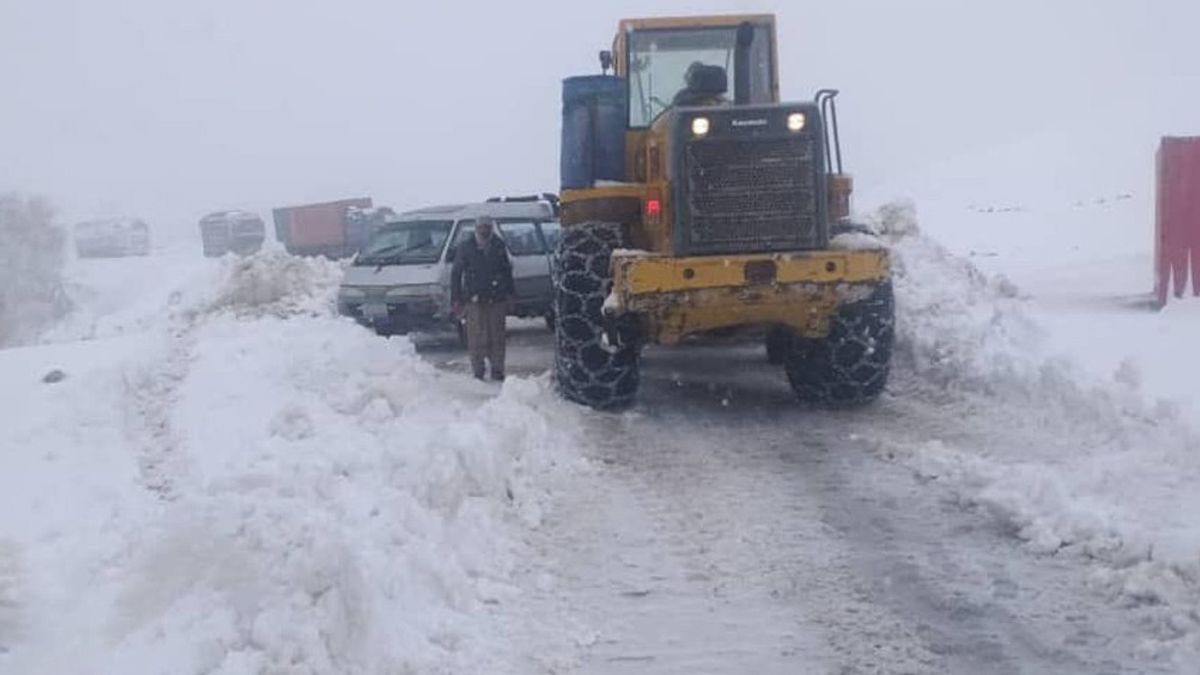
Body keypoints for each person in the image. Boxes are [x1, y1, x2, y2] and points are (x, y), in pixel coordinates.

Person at [451, 216, 514, 381]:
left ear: (491, 228)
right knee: (476, 338)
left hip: (497, 299)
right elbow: (456, 274)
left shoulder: (499, 245)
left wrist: (510, 295)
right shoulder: (465, 247)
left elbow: (507, 271)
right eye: (481, 227)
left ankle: (497, 370)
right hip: (473, 301)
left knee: (497, 336)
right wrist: (456, 299)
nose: (484, 230)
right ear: (476, 228)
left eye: (487, 227)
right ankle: (478, 371)